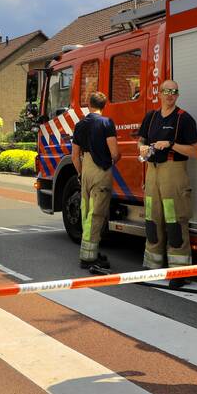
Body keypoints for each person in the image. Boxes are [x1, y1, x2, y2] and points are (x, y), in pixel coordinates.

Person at [137, 80, 197, 287]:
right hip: (152, 171)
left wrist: (171, 144)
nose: (170, 95)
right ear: (160, 94)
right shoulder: (151, 117)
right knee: (151, 218)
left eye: (174, 92)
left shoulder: (184, 119)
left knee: (174, 221)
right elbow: (141, 140)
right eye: (166, 91)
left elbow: (195, 151)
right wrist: (141, 148)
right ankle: (152, 266)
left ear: (177, 95)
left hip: (174, 172)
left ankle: (179, 272)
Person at [72, 91, 120, 273]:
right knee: (97, 214)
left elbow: (74, 156)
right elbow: (114, 153)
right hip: (101, 171)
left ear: (88, 104)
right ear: (104, 105)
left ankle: (89, 252)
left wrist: (80, 173)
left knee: (86, 212)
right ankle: (89, 258)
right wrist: (116, 159)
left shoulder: (79, 125)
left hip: (86, 170)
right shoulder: (106, 123)